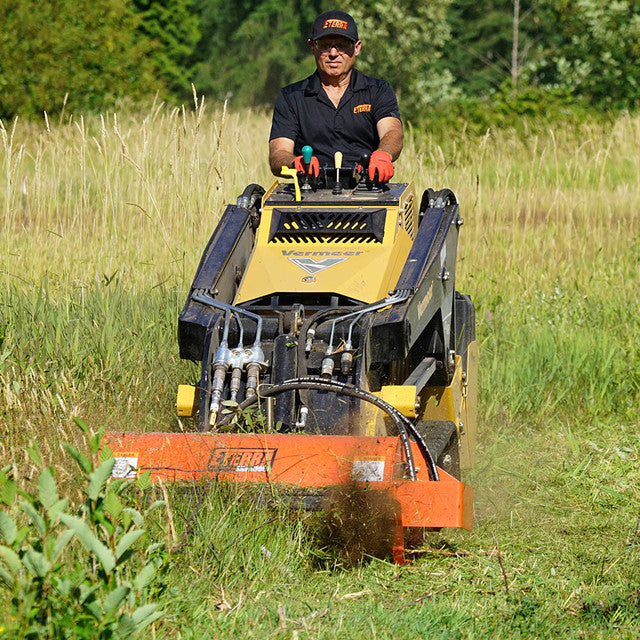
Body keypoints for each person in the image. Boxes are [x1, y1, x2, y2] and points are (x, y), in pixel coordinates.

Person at [268, 9, 403, 183]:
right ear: (312, 46)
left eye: (342, 45)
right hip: (308, 193)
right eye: (324, 45)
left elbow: (393, 132)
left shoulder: (378, 90)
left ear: (357, 47)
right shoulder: (291, 97)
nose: (333, 53)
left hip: (368, 190)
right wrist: (296, 163)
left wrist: (383, 155)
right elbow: (278, 154)